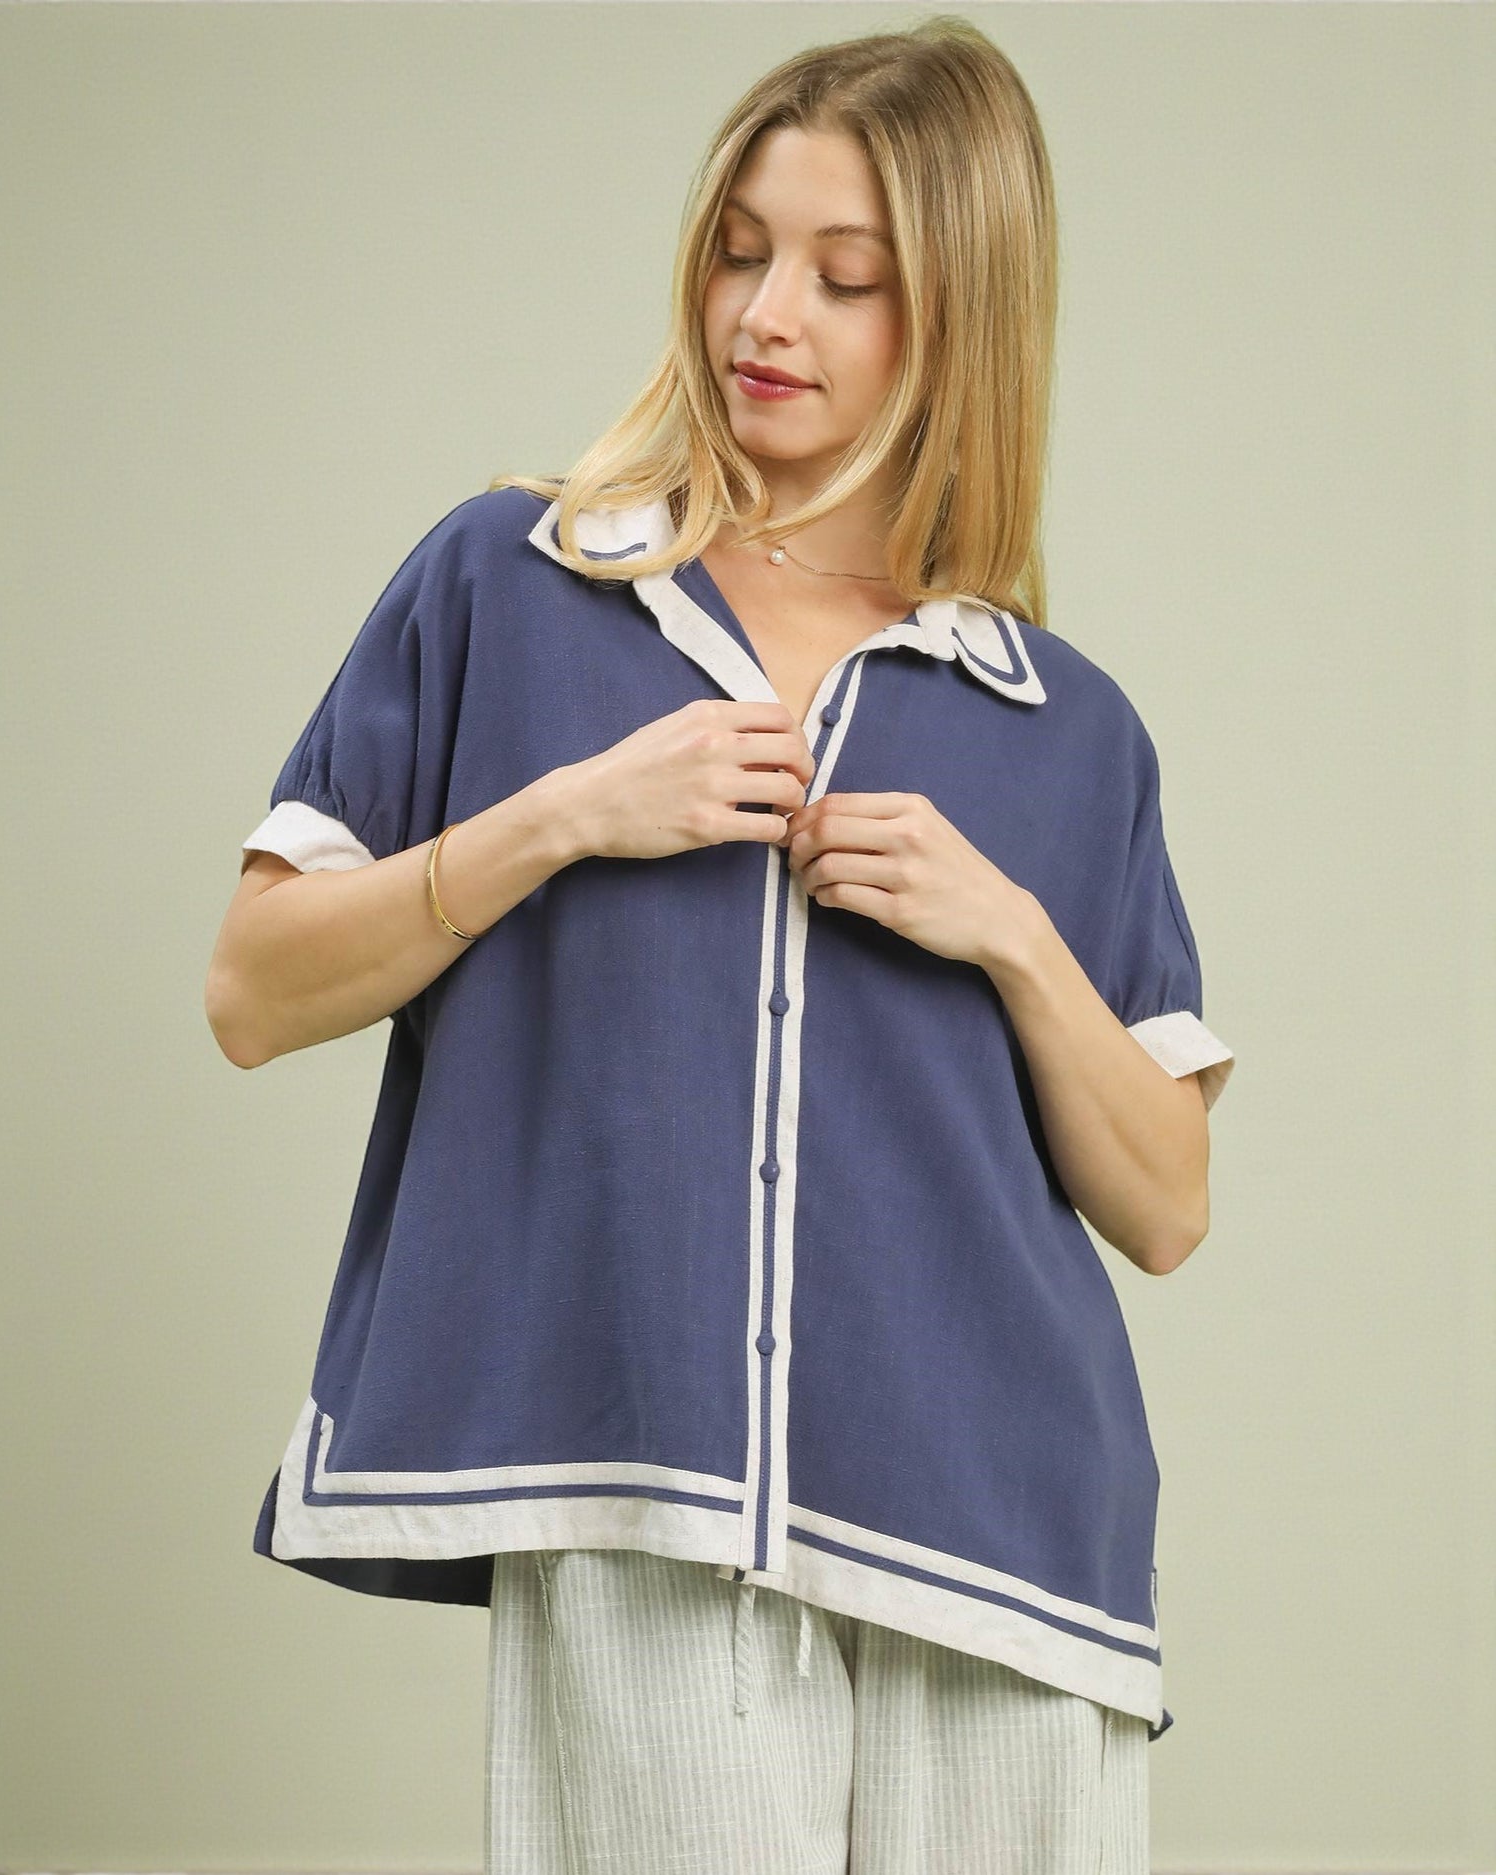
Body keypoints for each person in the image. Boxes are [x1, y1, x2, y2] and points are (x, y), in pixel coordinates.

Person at [207, 16, 1235, 1873]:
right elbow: (252, 994)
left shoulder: (1064, 725)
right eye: (742, 248)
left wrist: (1010, 935)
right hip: (639, 1483)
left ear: (963, 318)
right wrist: (558, 820)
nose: (769, 312)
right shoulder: (513, 582)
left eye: (850, 280)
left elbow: (1166, 1205)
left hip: (1003, 1525)